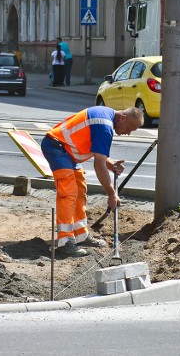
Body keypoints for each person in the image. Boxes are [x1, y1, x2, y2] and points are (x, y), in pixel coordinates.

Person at [41, 106, 144, 257]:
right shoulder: (104, 126)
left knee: (80, 191)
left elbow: (100, 156)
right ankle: (65, 242)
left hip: (67, 150)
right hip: (57, 148)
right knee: (68, 193)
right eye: (129, 128)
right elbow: (99, 164)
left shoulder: (106, 116)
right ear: (123, 117)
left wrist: (111, 164)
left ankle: (80, 235)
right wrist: (111, 194)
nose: (127, 133)